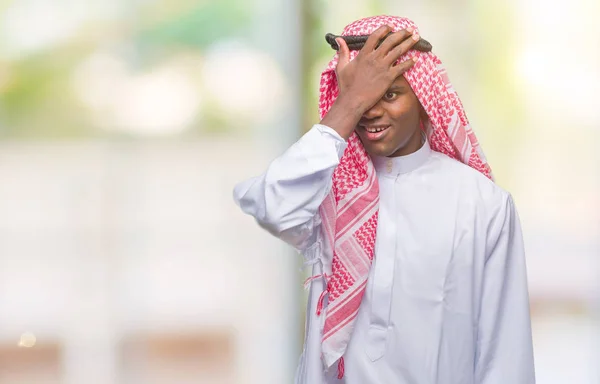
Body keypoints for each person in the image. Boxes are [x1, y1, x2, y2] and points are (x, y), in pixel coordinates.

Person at [233, 15, 535, 384]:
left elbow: (505, 355)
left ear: (425, 99)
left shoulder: (482, 203)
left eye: (389, 94)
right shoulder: (326, 190)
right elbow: (271, 206)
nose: (371, 111)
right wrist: (349, 104)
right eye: (362, 98)